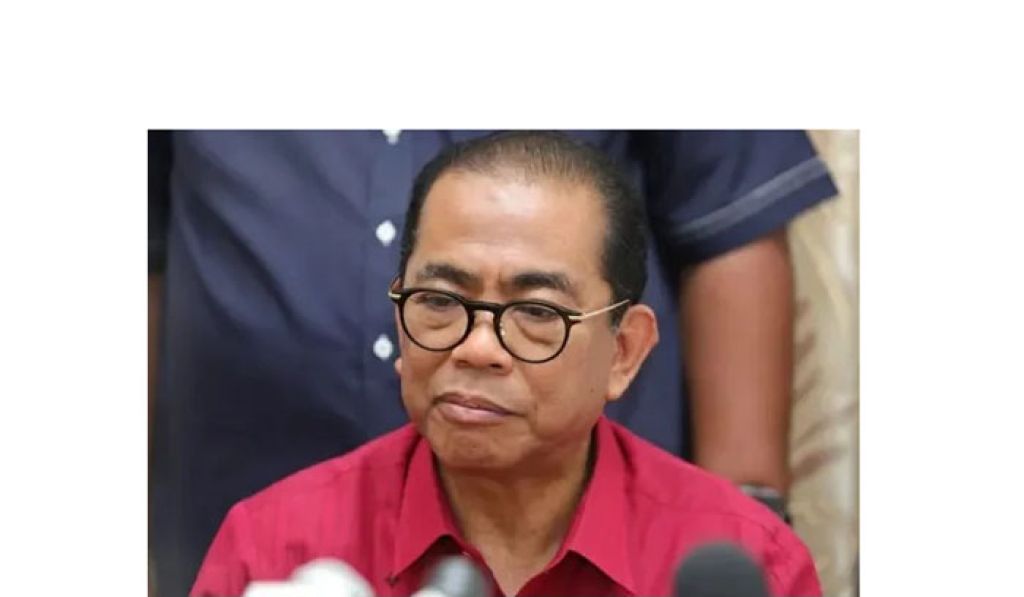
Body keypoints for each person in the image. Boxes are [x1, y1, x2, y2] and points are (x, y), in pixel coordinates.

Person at [149, 130, 836, 596]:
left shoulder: (739, 559)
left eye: (536, 312)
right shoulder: (277, 548)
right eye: (439, 302)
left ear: (623, 350)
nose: (476, 347)